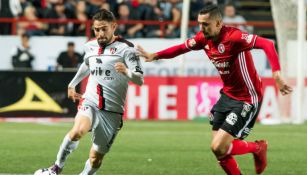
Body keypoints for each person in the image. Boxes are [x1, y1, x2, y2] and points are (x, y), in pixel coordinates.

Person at [138, 4, 292, 175]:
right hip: (227, 95)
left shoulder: (235, 37)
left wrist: (277, 74)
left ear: (218, 23)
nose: (201, 28)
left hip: (247, 97)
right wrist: (155, 55)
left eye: (206, 24)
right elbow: (181, 48)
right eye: (199, 24)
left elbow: (267, 44)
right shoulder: (203, 38)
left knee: (218, 146)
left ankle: (258, 148)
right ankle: (256, 150)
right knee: (219, 151)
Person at [37, 9, 144, 175]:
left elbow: (139, 80)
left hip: (112, 111)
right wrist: (72, 84)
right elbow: (87, 64)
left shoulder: (128, 49)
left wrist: (127, 72)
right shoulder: (90, 46)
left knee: (95, 158)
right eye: (96, 29)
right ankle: (55, 168)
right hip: (91, 101)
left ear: (114, 26)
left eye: (104, 29)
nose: (100, 33)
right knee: (77, 131)